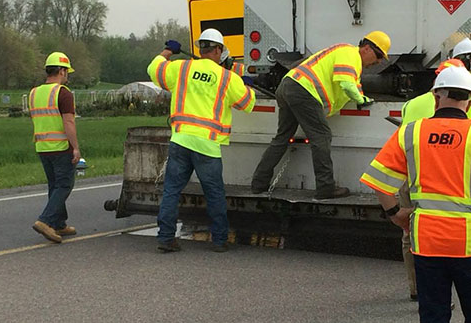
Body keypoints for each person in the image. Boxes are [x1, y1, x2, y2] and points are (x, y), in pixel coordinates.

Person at [360, 66, 471, 322]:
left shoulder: (411, 132)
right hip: (466, 241)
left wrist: (395, 213)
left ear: (435, 97)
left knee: (433, 313)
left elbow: (379, 181)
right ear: (468, 101)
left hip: (427, 239)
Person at [147, 28, 256, 253]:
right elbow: (247, 103)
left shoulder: (182, 68)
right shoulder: (227, 78)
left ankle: (166, 238)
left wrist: (168, 51)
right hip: (207, 145)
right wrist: (247, 84)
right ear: (218, 50)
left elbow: (153, 69)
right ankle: (219, 240)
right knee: (214, 193)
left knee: (171, 191)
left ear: (200, 49)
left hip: (181, 140)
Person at [251, 31, 391, 199]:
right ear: (367, 48)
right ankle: (325, 188)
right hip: (303, 91)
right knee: (322, 136)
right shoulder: (350, 54)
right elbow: (346, 84)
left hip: (288, 85)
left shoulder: (349, 59)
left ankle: (259, 183)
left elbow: (353, 86)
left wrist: (362, 97)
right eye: (379, 56)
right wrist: (360, 99)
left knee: (282, 137)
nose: (378, 62)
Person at [399, 58, 466, 301]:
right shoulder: (465, 104)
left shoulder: (412, 104)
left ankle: (417, 288)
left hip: (414, 177)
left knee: (411, 235)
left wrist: (393, 212)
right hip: (455, 176)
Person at [30, 52, 80, 243]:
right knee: (65, 185)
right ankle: (45, 221)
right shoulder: (63, 92)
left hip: (42, 147)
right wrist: (75, 147)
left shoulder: (35, 92)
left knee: (55, 185)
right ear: (61, 70)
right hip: (60, 146)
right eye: (67, 71)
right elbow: (69, 122)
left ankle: (59, 223)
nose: (67, 76)